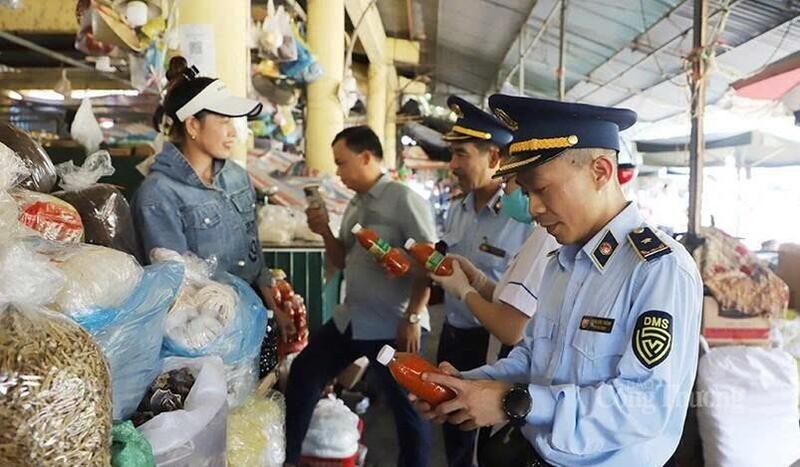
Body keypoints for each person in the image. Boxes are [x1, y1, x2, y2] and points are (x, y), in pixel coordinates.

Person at [413, 95, 703, 467]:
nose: (532, 208)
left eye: (542, 189)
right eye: (527, 192)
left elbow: (642, 406)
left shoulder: (657, 270)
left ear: (600, 172)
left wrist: (510, 402)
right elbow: (535, 358)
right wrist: (470, 385)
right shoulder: (561, 261)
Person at [284, 125, 437, 467]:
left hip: (392, 324)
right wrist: (324, 230)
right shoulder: (354, 205)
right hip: (352, 319)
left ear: (366, 157)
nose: (337, 173)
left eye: (342, 163)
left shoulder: (403, 199)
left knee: (408, 411)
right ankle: (290, 458)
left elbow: (431, 264)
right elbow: (340, 260)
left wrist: (413, 316)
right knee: (306, 372)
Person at [435, 96, 534, 467]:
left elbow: (516, 316)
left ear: (494, 158)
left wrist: (467, 287)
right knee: (452, 425)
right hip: (453, 332)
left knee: (491, 440)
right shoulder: (457, 209)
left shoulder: (525, 218)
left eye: (462, 155)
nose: (453, 165)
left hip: (495, 345)